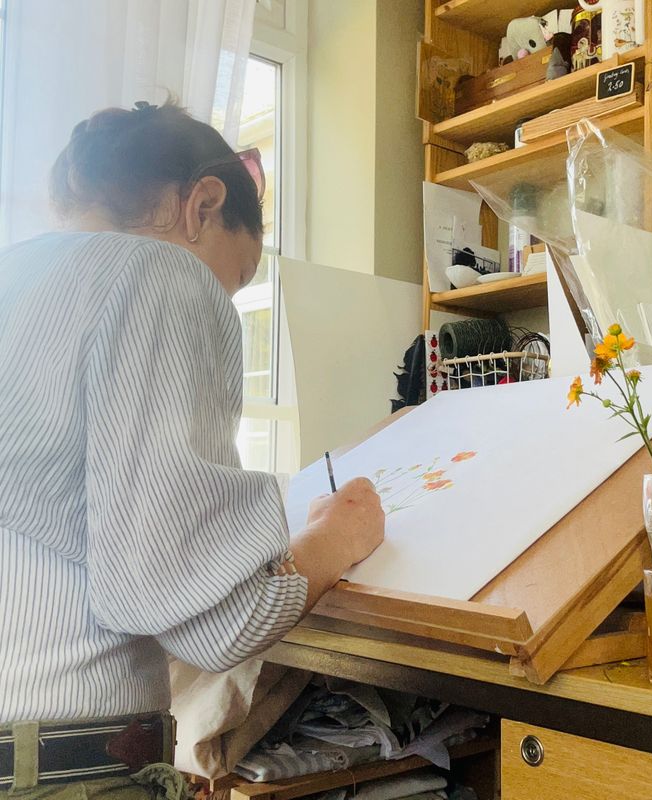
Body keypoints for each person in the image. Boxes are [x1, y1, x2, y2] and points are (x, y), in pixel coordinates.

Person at [0, 102, 385, 798]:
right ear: (202, 206)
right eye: (230, 282)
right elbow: (222, 620)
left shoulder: (16, 279)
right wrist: (337, 536)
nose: (220, 304)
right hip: (57, 763)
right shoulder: (158, 274)